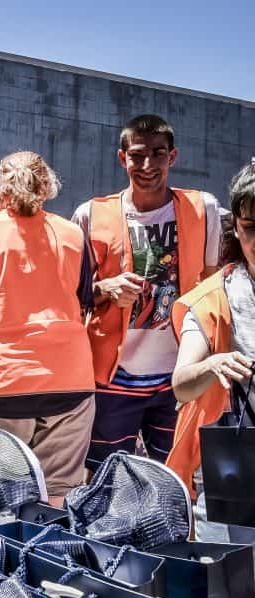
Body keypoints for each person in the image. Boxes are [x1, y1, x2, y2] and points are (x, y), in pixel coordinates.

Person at [0, 152, 95, 506]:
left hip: (4, 384)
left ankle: (4, 559)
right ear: (48, 187)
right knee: (59, 494)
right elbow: (84, 304)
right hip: (70, 382)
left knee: (3, 493)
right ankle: (53, 556)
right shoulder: (73, 234)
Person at [72, 114, 222, 471]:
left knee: (174, 478)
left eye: (157, 153)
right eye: (137, 155)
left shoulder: (205, 209)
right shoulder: (90, 214)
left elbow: (216, 286)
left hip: (178, 374)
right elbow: (72, 294)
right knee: (104, 477)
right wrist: (103, 288)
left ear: (173, 157)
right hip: (112, 375)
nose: (147, 165)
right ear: (122, 158)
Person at [168, 161, 255, 503]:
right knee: (234, 555)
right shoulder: (212, 299)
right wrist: (213, 364)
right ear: (236, 226)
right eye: (250, 227)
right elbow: (182, 386)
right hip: (235, 470)